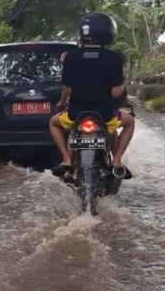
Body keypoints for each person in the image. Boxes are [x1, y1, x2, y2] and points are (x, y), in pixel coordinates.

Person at [49, 12, 135, 179]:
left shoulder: (71, 57)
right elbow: (116, 92)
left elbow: (68, 88)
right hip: (106, 114)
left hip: (75, 114)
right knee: (129, 122)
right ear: (107, 32)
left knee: (53, 123)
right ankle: (117, 161)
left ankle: (67, 160)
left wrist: (61, 103)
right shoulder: (113, 58)